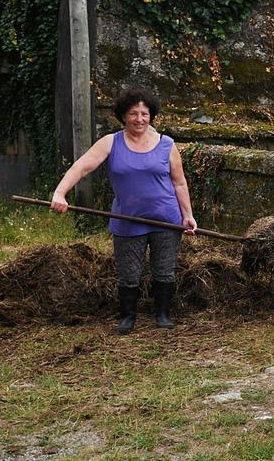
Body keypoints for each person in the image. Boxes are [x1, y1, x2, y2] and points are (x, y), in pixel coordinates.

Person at [50, 87, 197, 334]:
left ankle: (162, 315)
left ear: (151, 116)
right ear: (123, 116)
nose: (139, 119)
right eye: (133, 113)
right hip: (127, 219)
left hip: (166, 220)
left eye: (144, 113)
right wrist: (59, 193)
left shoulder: (166, 145)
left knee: (164, 270)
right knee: (129, 273)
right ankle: (128, 317)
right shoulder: (111, 142)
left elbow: (179, 183)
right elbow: (81, 167)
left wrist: (188, 215)